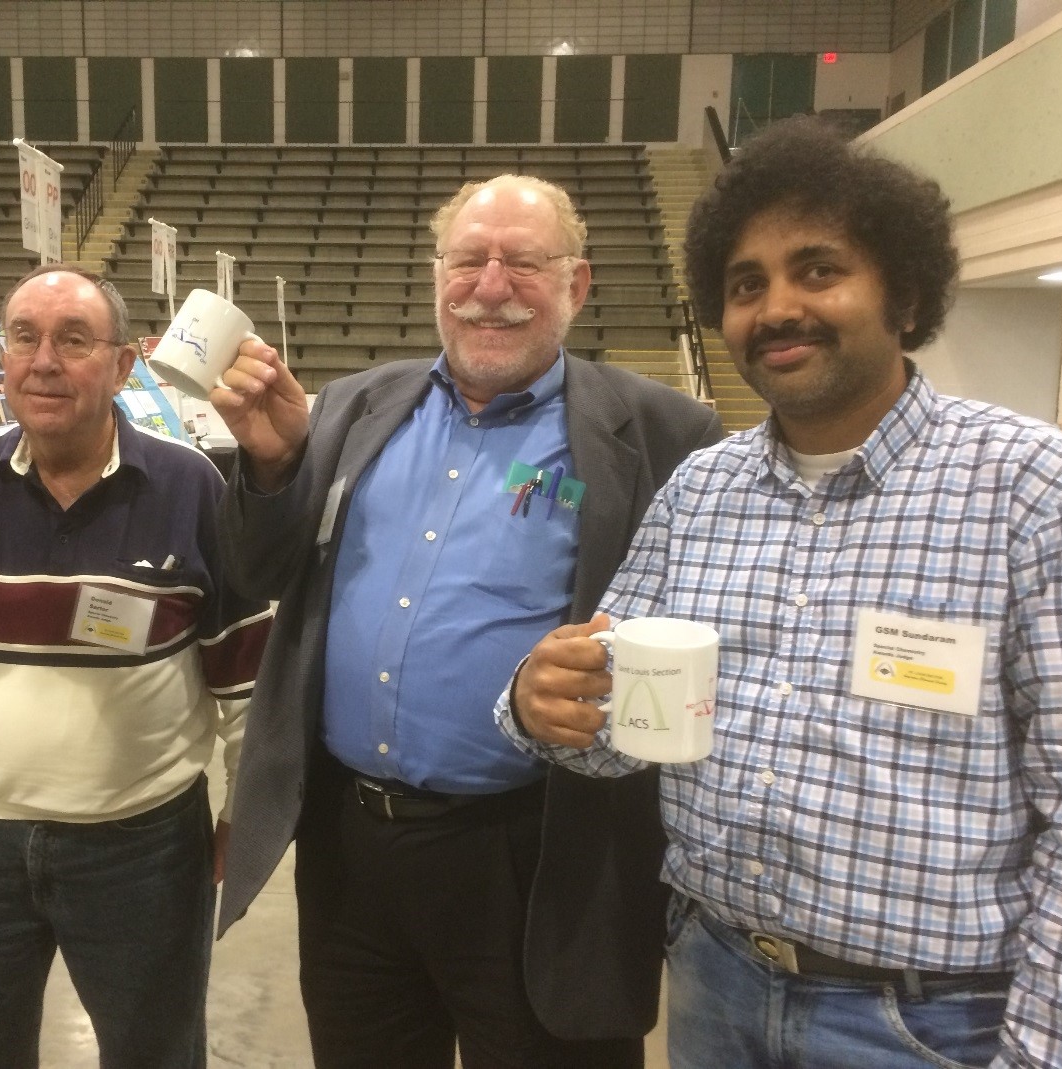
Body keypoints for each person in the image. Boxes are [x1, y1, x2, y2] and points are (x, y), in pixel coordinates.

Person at [502, 117, 1062, 1069]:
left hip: (930, 1024)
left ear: (904, 292)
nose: (777, 307)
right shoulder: (701, 490)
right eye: (747, 285)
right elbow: (618, 724)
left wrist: (1054, 1052)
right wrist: (541, 706)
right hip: (714, 981)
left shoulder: (1037, 491)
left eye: (818, 270)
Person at [209, 173, 722, 1068]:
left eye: (523, 262)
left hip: (541, 853)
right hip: (350, 846)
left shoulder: (666, 432)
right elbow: (260, 572)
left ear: (576, 283)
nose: (491, 287)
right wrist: (274, 468)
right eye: (468, 260)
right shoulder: (354, 405)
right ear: (436, 274)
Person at [0, 265, 271, 1069]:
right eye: (24, 337)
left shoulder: (187, 484)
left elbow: (244, 669)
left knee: (156, 1055)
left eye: (73, 339)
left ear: (124, 364)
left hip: (143, 844)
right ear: (0, 358)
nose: (43, 361)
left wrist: (244, 811)